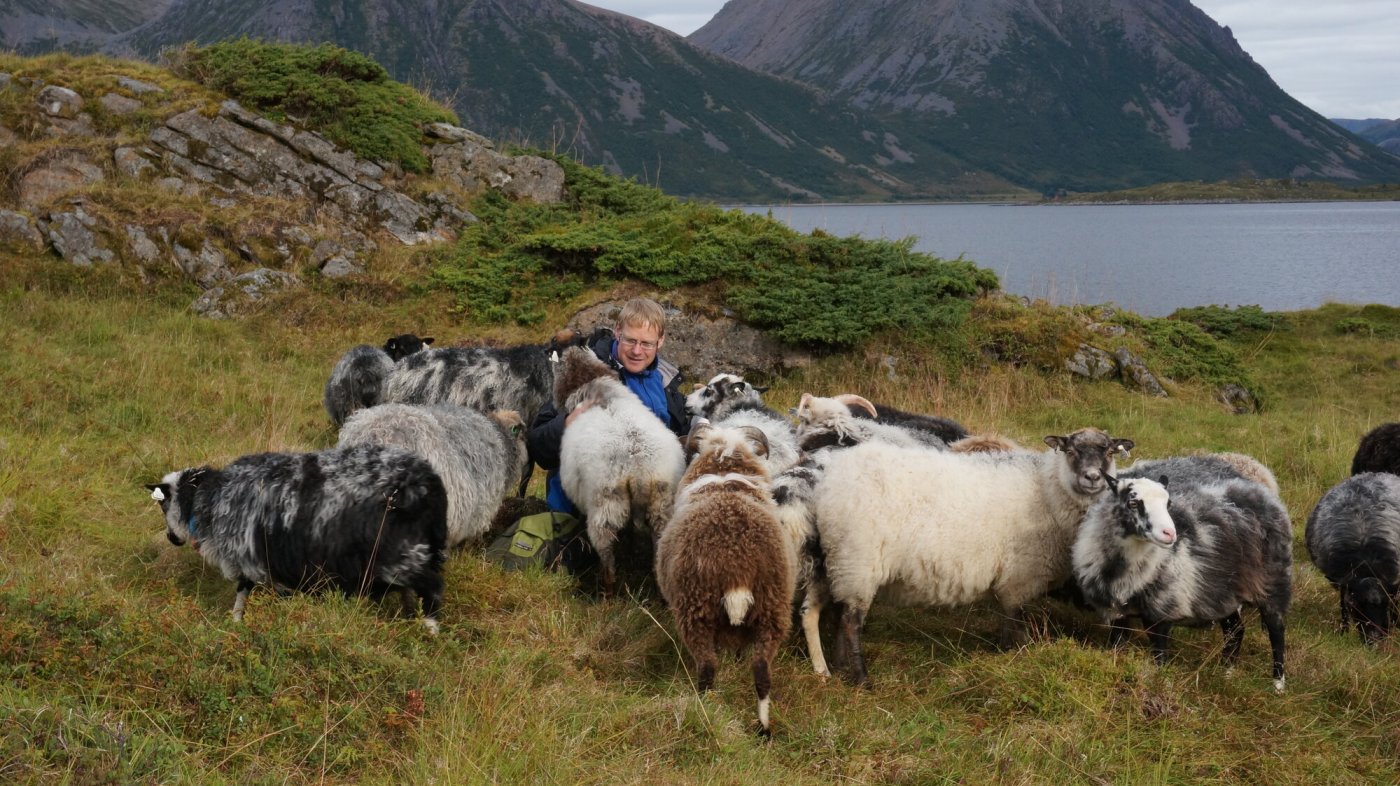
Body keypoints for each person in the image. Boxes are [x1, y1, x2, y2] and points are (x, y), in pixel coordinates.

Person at [526, 298, 692, 516]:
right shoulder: (586, 372)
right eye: (630, 340)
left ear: (660, 341)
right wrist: (567, 423)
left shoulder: (665, 382)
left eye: (646, 343)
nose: (637, 351)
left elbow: (683, 435)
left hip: (646, 504)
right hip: (584, 511)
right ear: (617, 332)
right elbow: (539, 446)